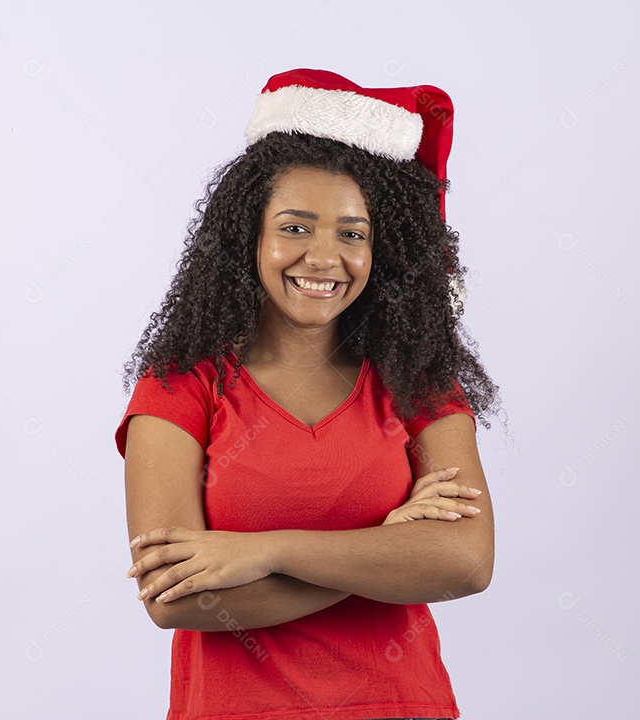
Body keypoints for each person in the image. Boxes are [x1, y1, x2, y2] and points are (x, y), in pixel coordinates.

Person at [115, 68, 502, 720]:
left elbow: (464, 560)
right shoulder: (180, 383)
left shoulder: (417, 380)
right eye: (295, 227)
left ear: (385, 249)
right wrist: (386, 546)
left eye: (352, 233)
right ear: (251, 235)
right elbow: (174, 598)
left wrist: (260, 551)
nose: (323, 257)